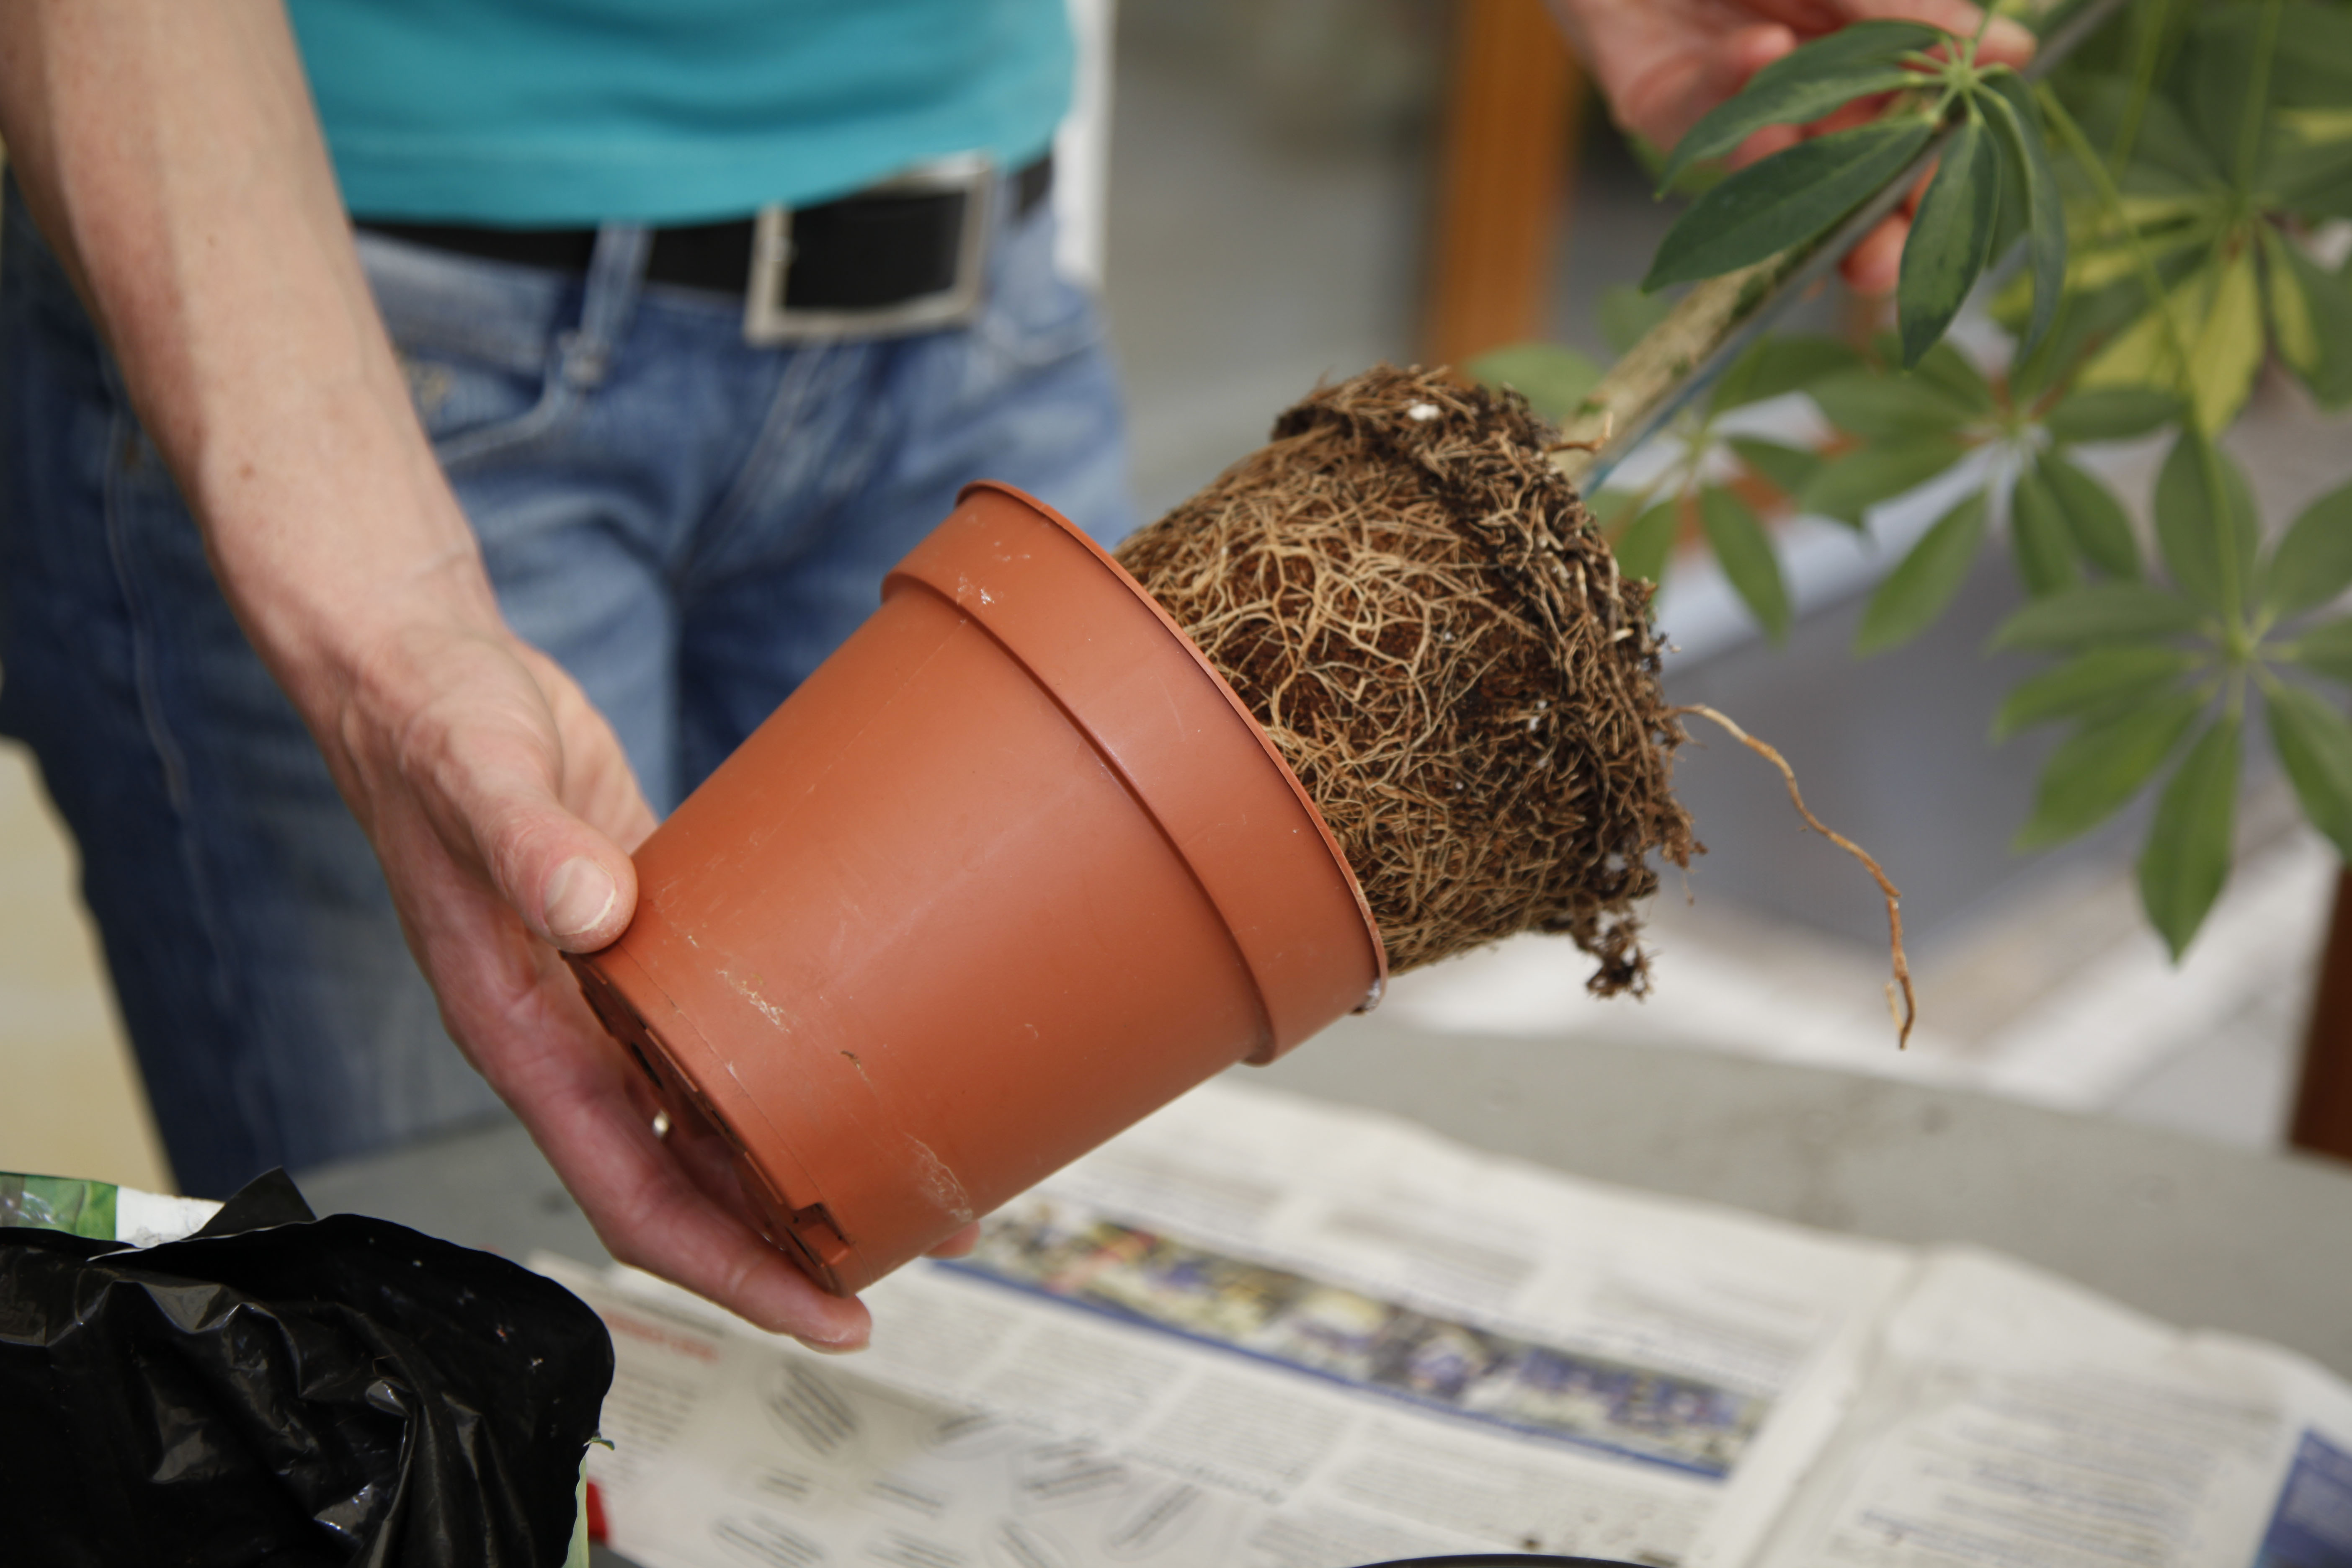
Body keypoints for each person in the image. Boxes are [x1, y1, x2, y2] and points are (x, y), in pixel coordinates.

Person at [0, 0, 2027, 1353]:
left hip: (971, 289)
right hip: (363, 313)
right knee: (453, 1342)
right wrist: (395, 634)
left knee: (958, 1283)